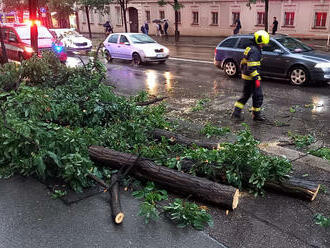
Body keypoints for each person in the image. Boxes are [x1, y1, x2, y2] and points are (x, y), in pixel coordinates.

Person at [231, 30, 270, 121]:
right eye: (262, 44)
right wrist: (256, 78)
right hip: (252, 78)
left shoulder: (251, 48)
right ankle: (255, 115)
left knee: (247, 95)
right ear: (259, 41)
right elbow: (251, 67)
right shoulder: (255, 51)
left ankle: (237, 113)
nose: (263, 46)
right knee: (258, 96)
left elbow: (244, 62)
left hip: (247, 77)